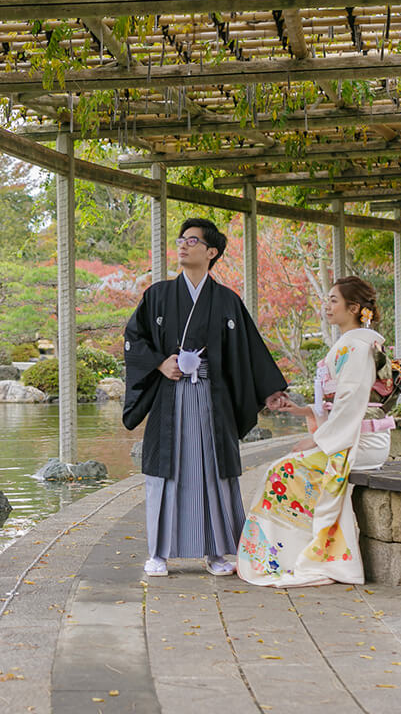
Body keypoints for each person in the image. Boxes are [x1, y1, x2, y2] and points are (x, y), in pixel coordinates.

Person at [123, 218, 288, 578]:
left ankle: (216, 551)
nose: (183, 245)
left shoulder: (226, 300)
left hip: (212, 401)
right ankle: (158, 553)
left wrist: (270, 389)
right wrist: (159, 363)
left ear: (211, 252)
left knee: (212, 471)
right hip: (171, 396)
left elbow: (249, 351)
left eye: (192, 241)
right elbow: (135, 339)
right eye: (181, 239)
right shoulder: (158, 295)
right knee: (167, 473)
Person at [237, 276, 393, 588]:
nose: (327, 305)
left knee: (281, 471)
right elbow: (342, 403)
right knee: (282, 469)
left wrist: (317, 439)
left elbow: (351, 403)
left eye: (334, 300)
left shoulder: (359, 344)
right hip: (352, 435)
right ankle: (277, 555)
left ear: (354, 308)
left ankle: (284, 558)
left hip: (360, 441)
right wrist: (305, 411)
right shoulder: (354, 342)